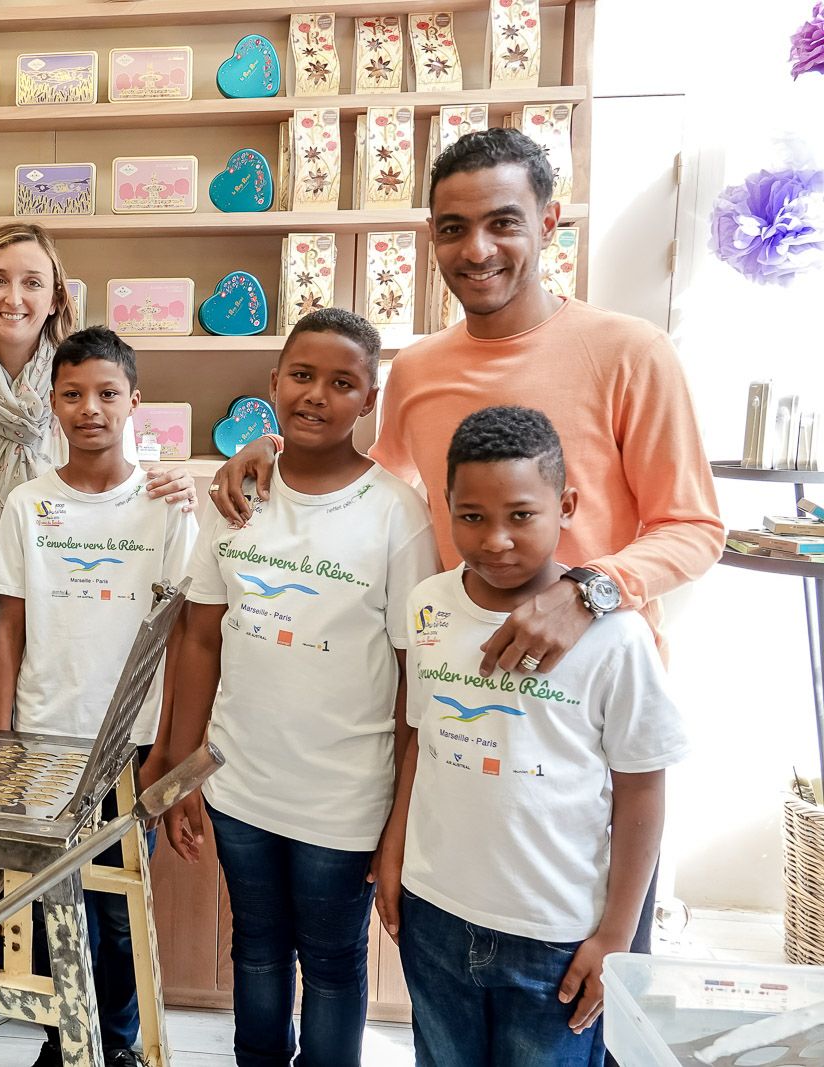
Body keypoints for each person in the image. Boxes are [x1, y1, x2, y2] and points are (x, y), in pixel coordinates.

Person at [208, 128, 722, 976]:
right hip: (455, 718)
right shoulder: (417, 369)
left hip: (583, 734)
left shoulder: (632, 353)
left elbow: (697, 527)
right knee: (449, 980)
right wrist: (272, 450)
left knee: (580, 991)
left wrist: (586, 591)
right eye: (452, 227)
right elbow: (375, 486)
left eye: (503, 222)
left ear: (550, 223)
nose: (476, 249)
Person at [156, 309, 437, 1067]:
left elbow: (419, 684)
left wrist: (401, 821)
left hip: (344, 798)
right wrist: (181, 770)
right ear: (273, 383)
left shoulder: (397, 515)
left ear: (369, 399)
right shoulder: (236, 498)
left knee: (334, 961)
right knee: (255, 948)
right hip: (240, 781)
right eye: (303, 376)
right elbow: (200, 638)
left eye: (342, 383)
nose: (317, 395)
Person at [379, 406, 687, 1066]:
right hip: (436, 913)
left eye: (521, 514)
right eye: (472, 516)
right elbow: (420, 740)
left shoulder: (616, 637)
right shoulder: (427, 605)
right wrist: (394, 851)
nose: (495, 539)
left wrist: (617, 935)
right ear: (446, 506)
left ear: (566, 504)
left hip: (557, 938)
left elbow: (642, 791)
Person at [0, 327, 197, 1067]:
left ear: (134, 402)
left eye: (108, 393)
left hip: (129, 744)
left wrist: (167, 746)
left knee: (115, 908)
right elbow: (8, 628)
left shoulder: (170, 503)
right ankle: (62, 1038)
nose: (90, 409)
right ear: (52, 405)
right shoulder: (27, 504)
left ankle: (120, 1043)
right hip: (43, 737)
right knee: (51, 901)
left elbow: (183, 638)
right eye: (72, 394)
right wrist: (4, 735)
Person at [0, 223, 197, 730]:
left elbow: (119, 493)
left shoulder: (85, 386)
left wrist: (180, 485)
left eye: (32, 282)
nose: (13, 297)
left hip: (60, 638)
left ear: (57, 296)